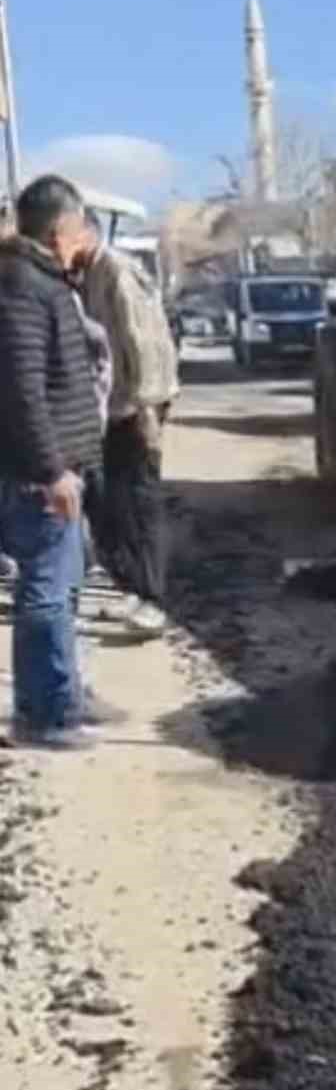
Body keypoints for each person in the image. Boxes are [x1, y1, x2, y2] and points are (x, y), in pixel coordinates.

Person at [0, 176, 120, 749]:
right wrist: (52, 472)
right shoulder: (23, 285)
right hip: (37, 477)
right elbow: (23, 390)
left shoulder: (45, 281)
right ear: (57, 230)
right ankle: (44, 714)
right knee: (46, 592)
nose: (84, 236)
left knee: (64, 587)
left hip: (58, 467)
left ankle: (65, 691)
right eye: (78, 226)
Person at [76, 209, 178, 639]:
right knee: (113, 505)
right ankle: (135, 589)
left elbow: (146, 343)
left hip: (136, 405)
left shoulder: (116, 270)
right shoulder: (88, 274)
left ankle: (154, 599)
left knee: (140, 503)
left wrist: (147, 410)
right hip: (114, 407)